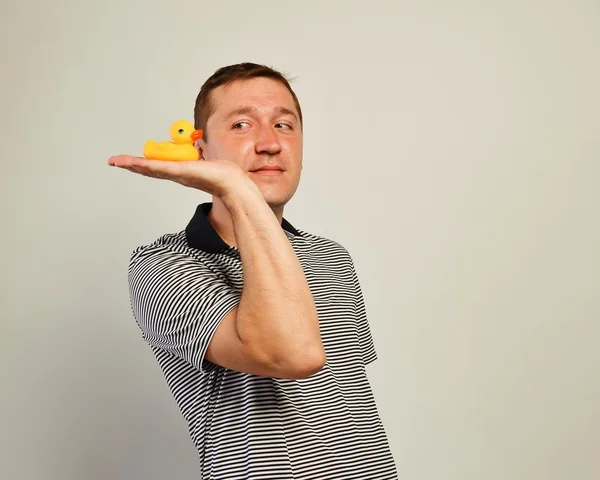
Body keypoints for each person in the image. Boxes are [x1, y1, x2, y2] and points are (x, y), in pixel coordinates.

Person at [109, 62, 398, 479]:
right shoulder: (164, 265)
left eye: (284, 125)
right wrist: (237, 189)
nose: (269, 144)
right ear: (201, 150)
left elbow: (348, 412)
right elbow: (293, 355)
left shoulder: (331, 256)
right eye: (242, 125)